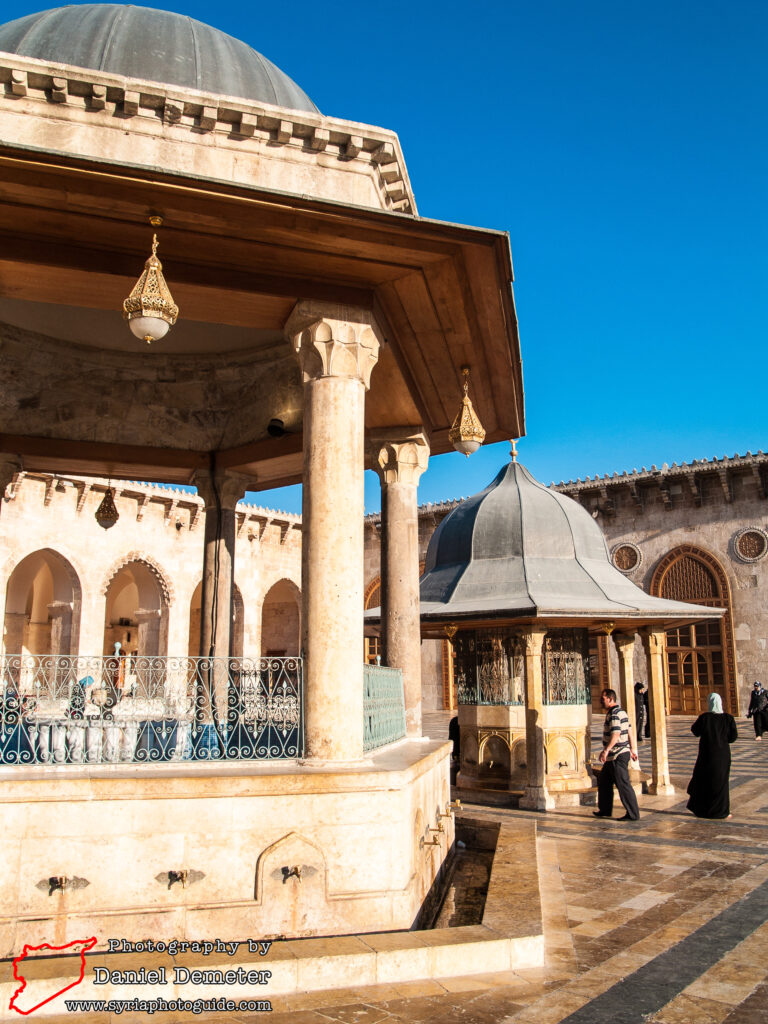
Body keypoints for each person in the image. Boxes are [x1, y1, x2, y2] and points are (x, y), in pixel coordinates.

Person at [686, 693, 738, 819]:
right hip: (722, 756)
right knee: (721, 783)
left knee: (704, 781)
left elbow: (695, 731)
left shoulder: (704, 718)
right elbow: (733, 738)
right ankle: (722, 811)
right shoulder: (728, 718)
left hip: (707, 755)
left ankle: (703, 810)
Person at [593, 688, 640, 821]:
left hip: (617, 755)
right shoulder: (622, 712)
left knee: (623, 783)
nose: (601, 702)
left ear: (610, 699)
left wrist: (606, 750)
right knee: (604, 781)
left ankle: (633, 814)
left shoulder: (614, 714)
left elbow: (616, 734)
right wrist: (633, 749)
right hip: (617, 754)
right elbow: (630, 731)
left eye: (603, 699)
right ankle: (605, 810)